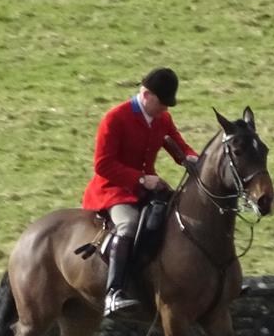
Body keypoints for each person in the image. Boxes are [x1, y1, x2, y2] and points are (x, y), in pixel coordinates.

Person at [82, 67, 198, 316]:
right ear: (146, 95)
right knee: (128, 226)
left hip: (149, 187)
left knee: (181, 217)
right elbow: (103, 165)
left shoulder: (162, 119)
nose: (164, 109)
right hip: (113, 190)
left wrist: (193, 159)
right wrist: (141, 179)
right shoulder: (115, 118)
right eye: (161, 103)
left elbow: (179, 146)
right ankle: (114, 293)